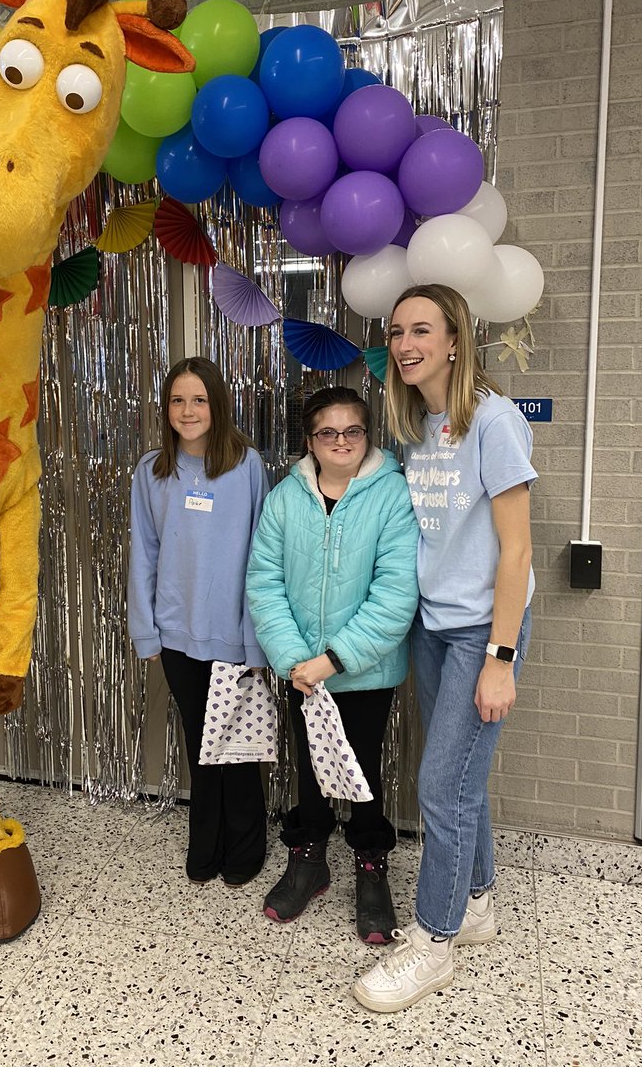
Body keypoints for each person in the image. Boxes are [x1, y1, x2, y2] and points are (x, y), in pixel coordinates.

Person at [353, 283, 536, 1013]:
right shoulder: (418, 425)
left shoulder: (494, 421)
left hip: (482, 631)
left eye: (421, 329)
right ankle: (479, 904)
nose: (405, 343)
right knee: (460, 780)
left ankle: (433, 943)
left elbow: (518, 551)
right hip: (432, 625)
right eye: (396, 331)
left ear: (455, 340)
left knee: (440, 789)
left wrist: (500, 658)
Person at [246, 386, 419, 942]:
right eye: (328, 432)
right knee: (309, 767)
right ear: (311, 440)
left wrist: (334, 660)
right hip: (300, 670)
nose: (341, 441)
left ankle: (371, 864)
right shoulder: (285, 498)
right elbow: (264, 582)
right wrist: (297, 661)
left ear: (367, 437)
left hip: (364, 671)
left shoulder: (392, 495)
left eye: (353, 431)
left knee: (363, 770)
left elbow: (396, 593)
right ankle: (309, 857)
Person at [128, 356, 270, 887]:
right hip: (176, 634)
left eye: (199, 399)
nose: (188, 411)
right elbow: (143, 553)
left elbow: (262, 554)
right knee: (200, 743)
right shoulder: (152, 471)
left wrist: (256, 642)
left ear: (217, 404)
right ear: (166, 409)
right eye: (178, 400)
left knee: (237, 745)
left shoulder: (246, 464)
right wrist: (146, 630)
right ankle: (204, 840)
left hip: (232, 633)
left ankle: (246, 844)